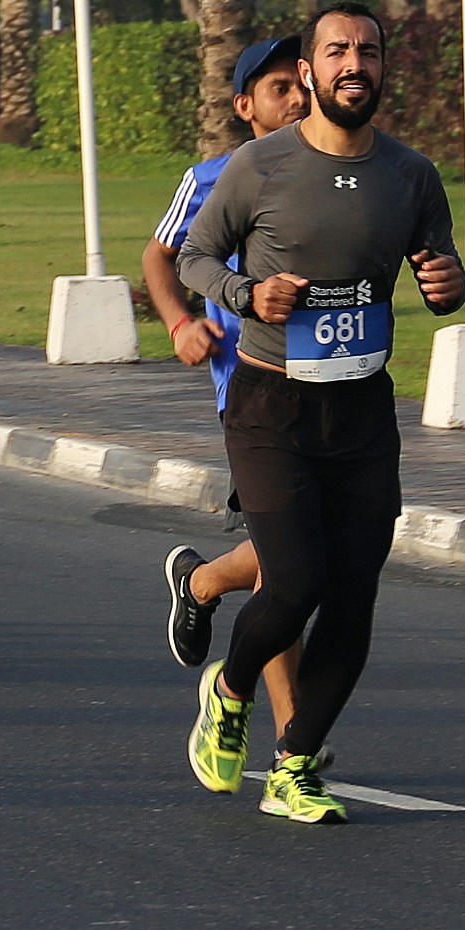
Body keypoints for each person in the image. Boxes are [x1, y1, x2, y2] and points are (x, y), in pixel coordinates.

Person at [170, 5, 465, 825]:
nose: (354, 64)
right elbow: (194, 257)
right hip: (271, 405)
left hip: (362, 409)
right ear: (308, 72)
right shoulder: (259, 165)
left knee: (354, 596)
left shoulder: (411, 174)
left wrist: (449, 286)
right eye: (337, 51)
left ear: (383, 68)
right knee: (294, 579)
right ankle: (230, 692)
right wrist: (245, 294)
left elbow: (440, 269)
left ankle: (296, 765)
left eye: (368, 51)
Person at [145, 36, 316, 735]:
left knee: (315, 551)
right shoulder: (211, 180)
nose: (298, 99)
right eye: (280, 88)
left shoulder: (341, 175)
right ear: (245, 105)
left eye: (302, 84)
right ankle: (293, 738)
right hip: (251, 394)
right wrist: (180, 324)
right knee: (284, 563)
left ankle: (202, 581)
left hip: (338, 390)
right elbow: (160, 256)